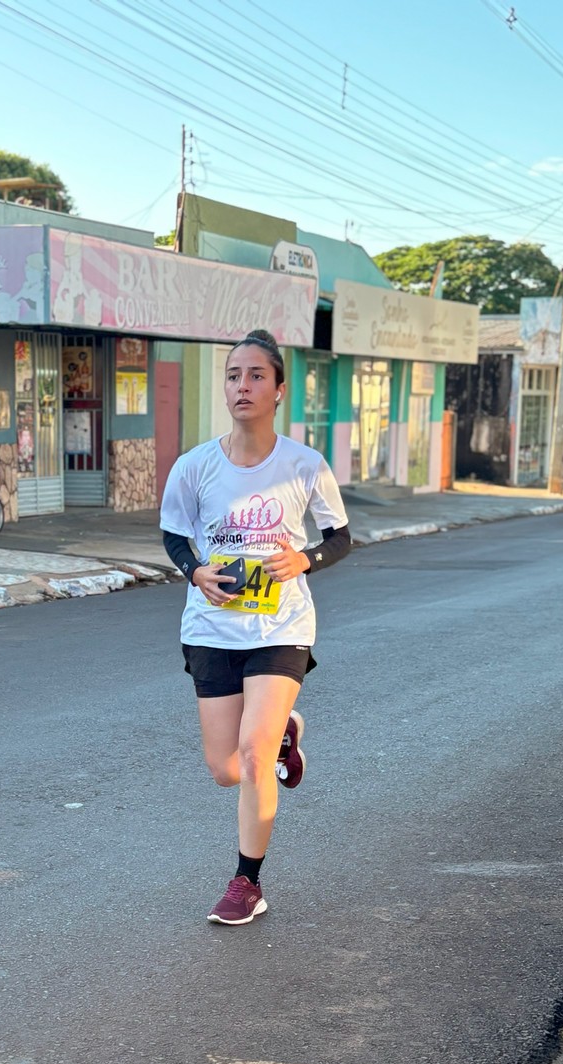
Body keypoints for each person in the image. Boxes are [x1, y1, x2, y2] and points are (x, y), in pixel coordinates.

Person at [159, 329, 351, 925]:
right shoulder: (195, 466)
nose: (242, 386)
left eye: (256, 376)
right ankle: (286, 730)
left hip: (282, 626)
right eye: (234, 375)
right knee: (227, 770)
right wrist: (196, 572)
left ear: (278, 389)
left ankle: (247, 882)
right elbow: (173, 535)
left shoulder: (304, 464)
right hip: (213, 628)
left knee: (252, 747)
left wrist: (304, 559)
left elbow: (339, 536)